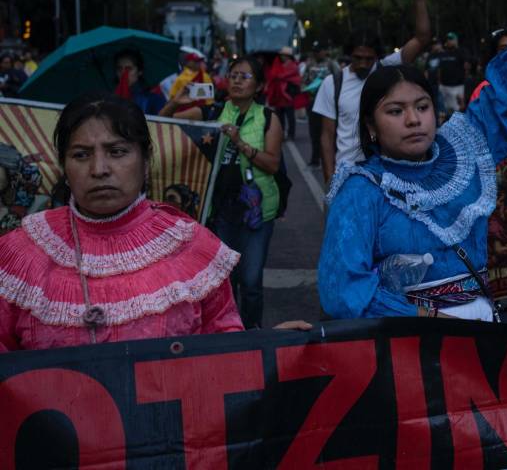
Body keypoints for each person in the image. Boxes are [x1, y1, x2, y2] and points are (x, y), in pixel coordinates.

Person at [317, 0, 507, 320]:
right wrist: (432, 321)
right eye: (395, 111)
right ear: (370, 127)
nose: (413, 119)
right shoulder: (361, 192)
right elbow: (344, 292)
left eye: (422, 107)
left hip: (482, 332)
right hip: (407, 346)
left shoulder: (466, 148)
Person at [0, 93, 243, 351]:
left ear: (146, 161)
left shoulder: (192, 248)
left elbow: (226, 353)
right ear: (64, 167)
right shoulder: (20, 253)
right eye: (81, 155)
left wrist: (283, 347)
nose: (99, 169)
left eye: (117, 152)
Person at [160, 55, 283, 329]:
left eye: (245, 76)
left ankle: (253, 333)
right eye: (233, 75)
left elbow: (272, 164)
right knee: (226, 279)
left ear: (260, 86)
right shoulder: (212, 113)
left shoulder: (268, 118)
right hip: (221, 212)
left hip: (256, 213)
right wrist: (174, 103)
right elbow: (162, 124)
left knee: (251, 281)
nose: (237, 81)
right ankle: (230, 331)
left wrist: (241, 143)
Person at [314, 0, 431, 187]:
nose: (363, 64)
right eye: (357, 58)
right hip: (348, 177)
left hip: (387, 177)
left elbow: (421, 38)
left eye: (369, 59)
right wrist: (330, 181)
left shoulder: (388, 70)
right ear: (349, 55)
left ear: (377, 57)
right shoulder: (333, 84)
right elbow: (326, 136)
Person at [114, 49, 166, 115]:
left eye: (129, 69)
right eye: (119, 68)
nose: (123, 73)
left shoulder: (154, 100)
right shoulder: (110, 99)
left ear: (139, 71)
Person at [266, 46, 301, 140]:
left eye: (284, 55)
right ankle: (281, 134)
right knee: (280, 116)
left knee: (290, 116)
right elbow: (274, 75)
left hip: (288, 94)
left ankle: (290, 134)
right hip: (280, 95)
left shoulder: (292, 66)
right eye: (281, 55)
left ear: (289, 56)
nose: (282, 57)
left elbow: (286, 76)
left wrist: (279, 77)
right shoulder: (279, 65)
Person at [437, 32, 466, 117]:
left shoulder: (461, 52)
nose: (449, 41)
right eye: (448, 39)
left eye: (451, 39)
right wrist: (439, 83)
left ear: (456, 40)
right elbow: (440, 68)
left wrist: (464, 82)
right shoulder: (443, 53)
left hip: (457, 86)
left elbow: (466, 67)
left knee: (458, 110)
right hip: (444, 86)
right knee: (445, 110)